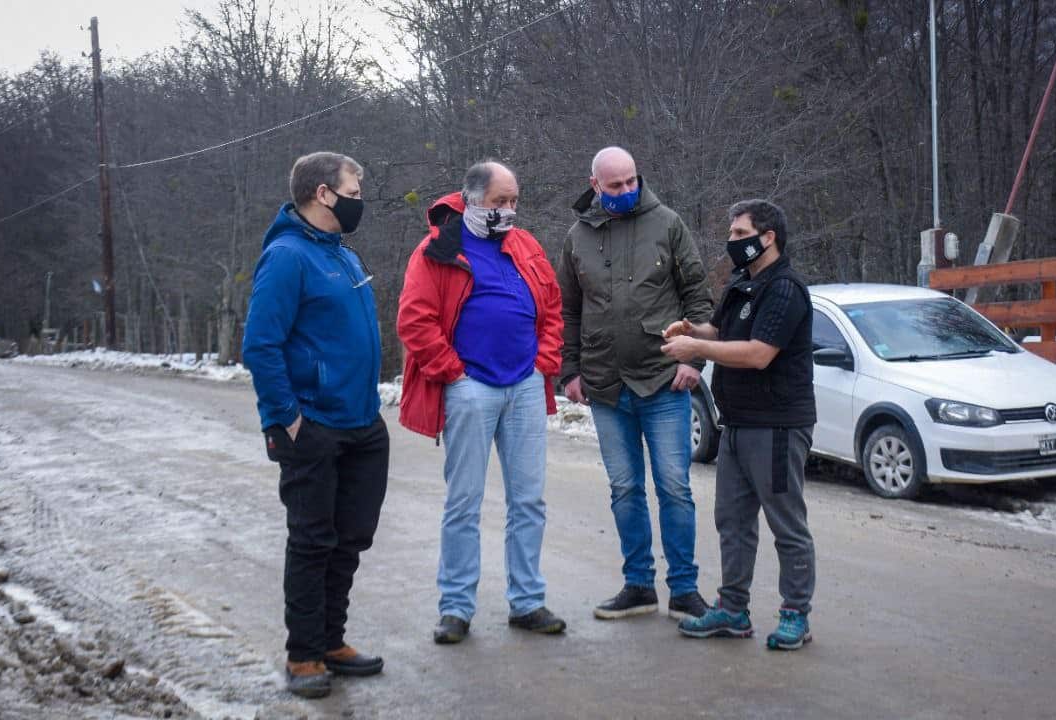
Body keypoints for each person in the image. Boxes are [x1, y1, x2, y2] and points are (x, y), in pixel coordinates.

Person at [397, 160, 566, 644]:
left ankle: (528, 601)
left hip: (526, 386)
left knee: (528, 500)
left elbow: (552, 306)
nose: (508, 211)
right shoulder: (437, 251)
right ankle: (455, 608)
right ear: (471, 200)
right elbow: (415, 321)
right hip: (470, 388)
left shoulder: (525, 244)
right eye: (499, 202)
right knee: (464, 502)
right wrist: (454, 373)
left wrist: (544, 361)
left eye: (514, 201)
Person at [242, 152, 389, 698]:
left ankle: (332, 640)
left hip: (361, 423)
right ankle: (303, 654)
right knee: (312, 541)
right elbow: (260, 345)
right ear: (324, 193)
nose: (361, 197)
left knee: (349, 539)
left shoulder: (342, 256)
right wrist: (287, 418)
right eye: (355, 187)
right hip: (314, 425)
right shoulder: (287, 256)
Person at [556, 146, 713, 621]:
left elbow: (698, 297)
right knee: (625, 489)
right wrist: (570, 371)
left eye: (631, 181)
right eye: (615, 185)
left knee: (674, 488)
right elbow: (568, 310)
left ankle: (684, 589)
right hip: (605, 385)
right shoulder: (577, 237)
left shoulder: (667, 223)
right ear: (595, 183)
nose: (626, 191)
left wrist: (696, 360)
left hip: (665, 380)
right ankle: (638, 585)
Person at [661, 198, 817, 651]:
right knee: (732, 520)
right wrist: (691, 329)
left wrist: (696, 350)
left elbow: (757, 353)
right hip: (737, 424)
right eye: (731, 234)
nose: (731, 243)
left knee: (786, 524)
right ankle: (732, 609)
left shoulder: (785, 289)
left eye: (739, 234)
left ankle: (795, 615)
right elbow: (722, 331)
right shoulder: (742, 282)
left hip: (777, 427)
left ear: (768, 238)